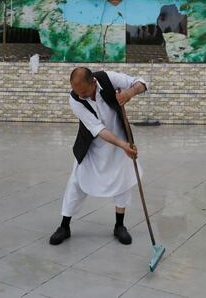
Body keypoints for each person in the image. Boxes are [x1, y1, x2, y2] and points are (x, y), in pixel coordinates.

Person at [49, 67, 147, 246]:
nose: (82, 96)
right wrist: (122, 144)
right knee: (77, 182)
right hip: (92, 145)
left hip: (119, 140)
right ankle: (64, 226)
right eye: (79, 93)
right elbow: (98, 129)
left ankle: (119, 226)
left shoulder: (108, 78)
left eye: (85, 92)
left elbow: (142, 82)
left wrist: (129, 92)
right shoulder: (75, 100)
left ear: (93, 82)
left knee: (123, 182)